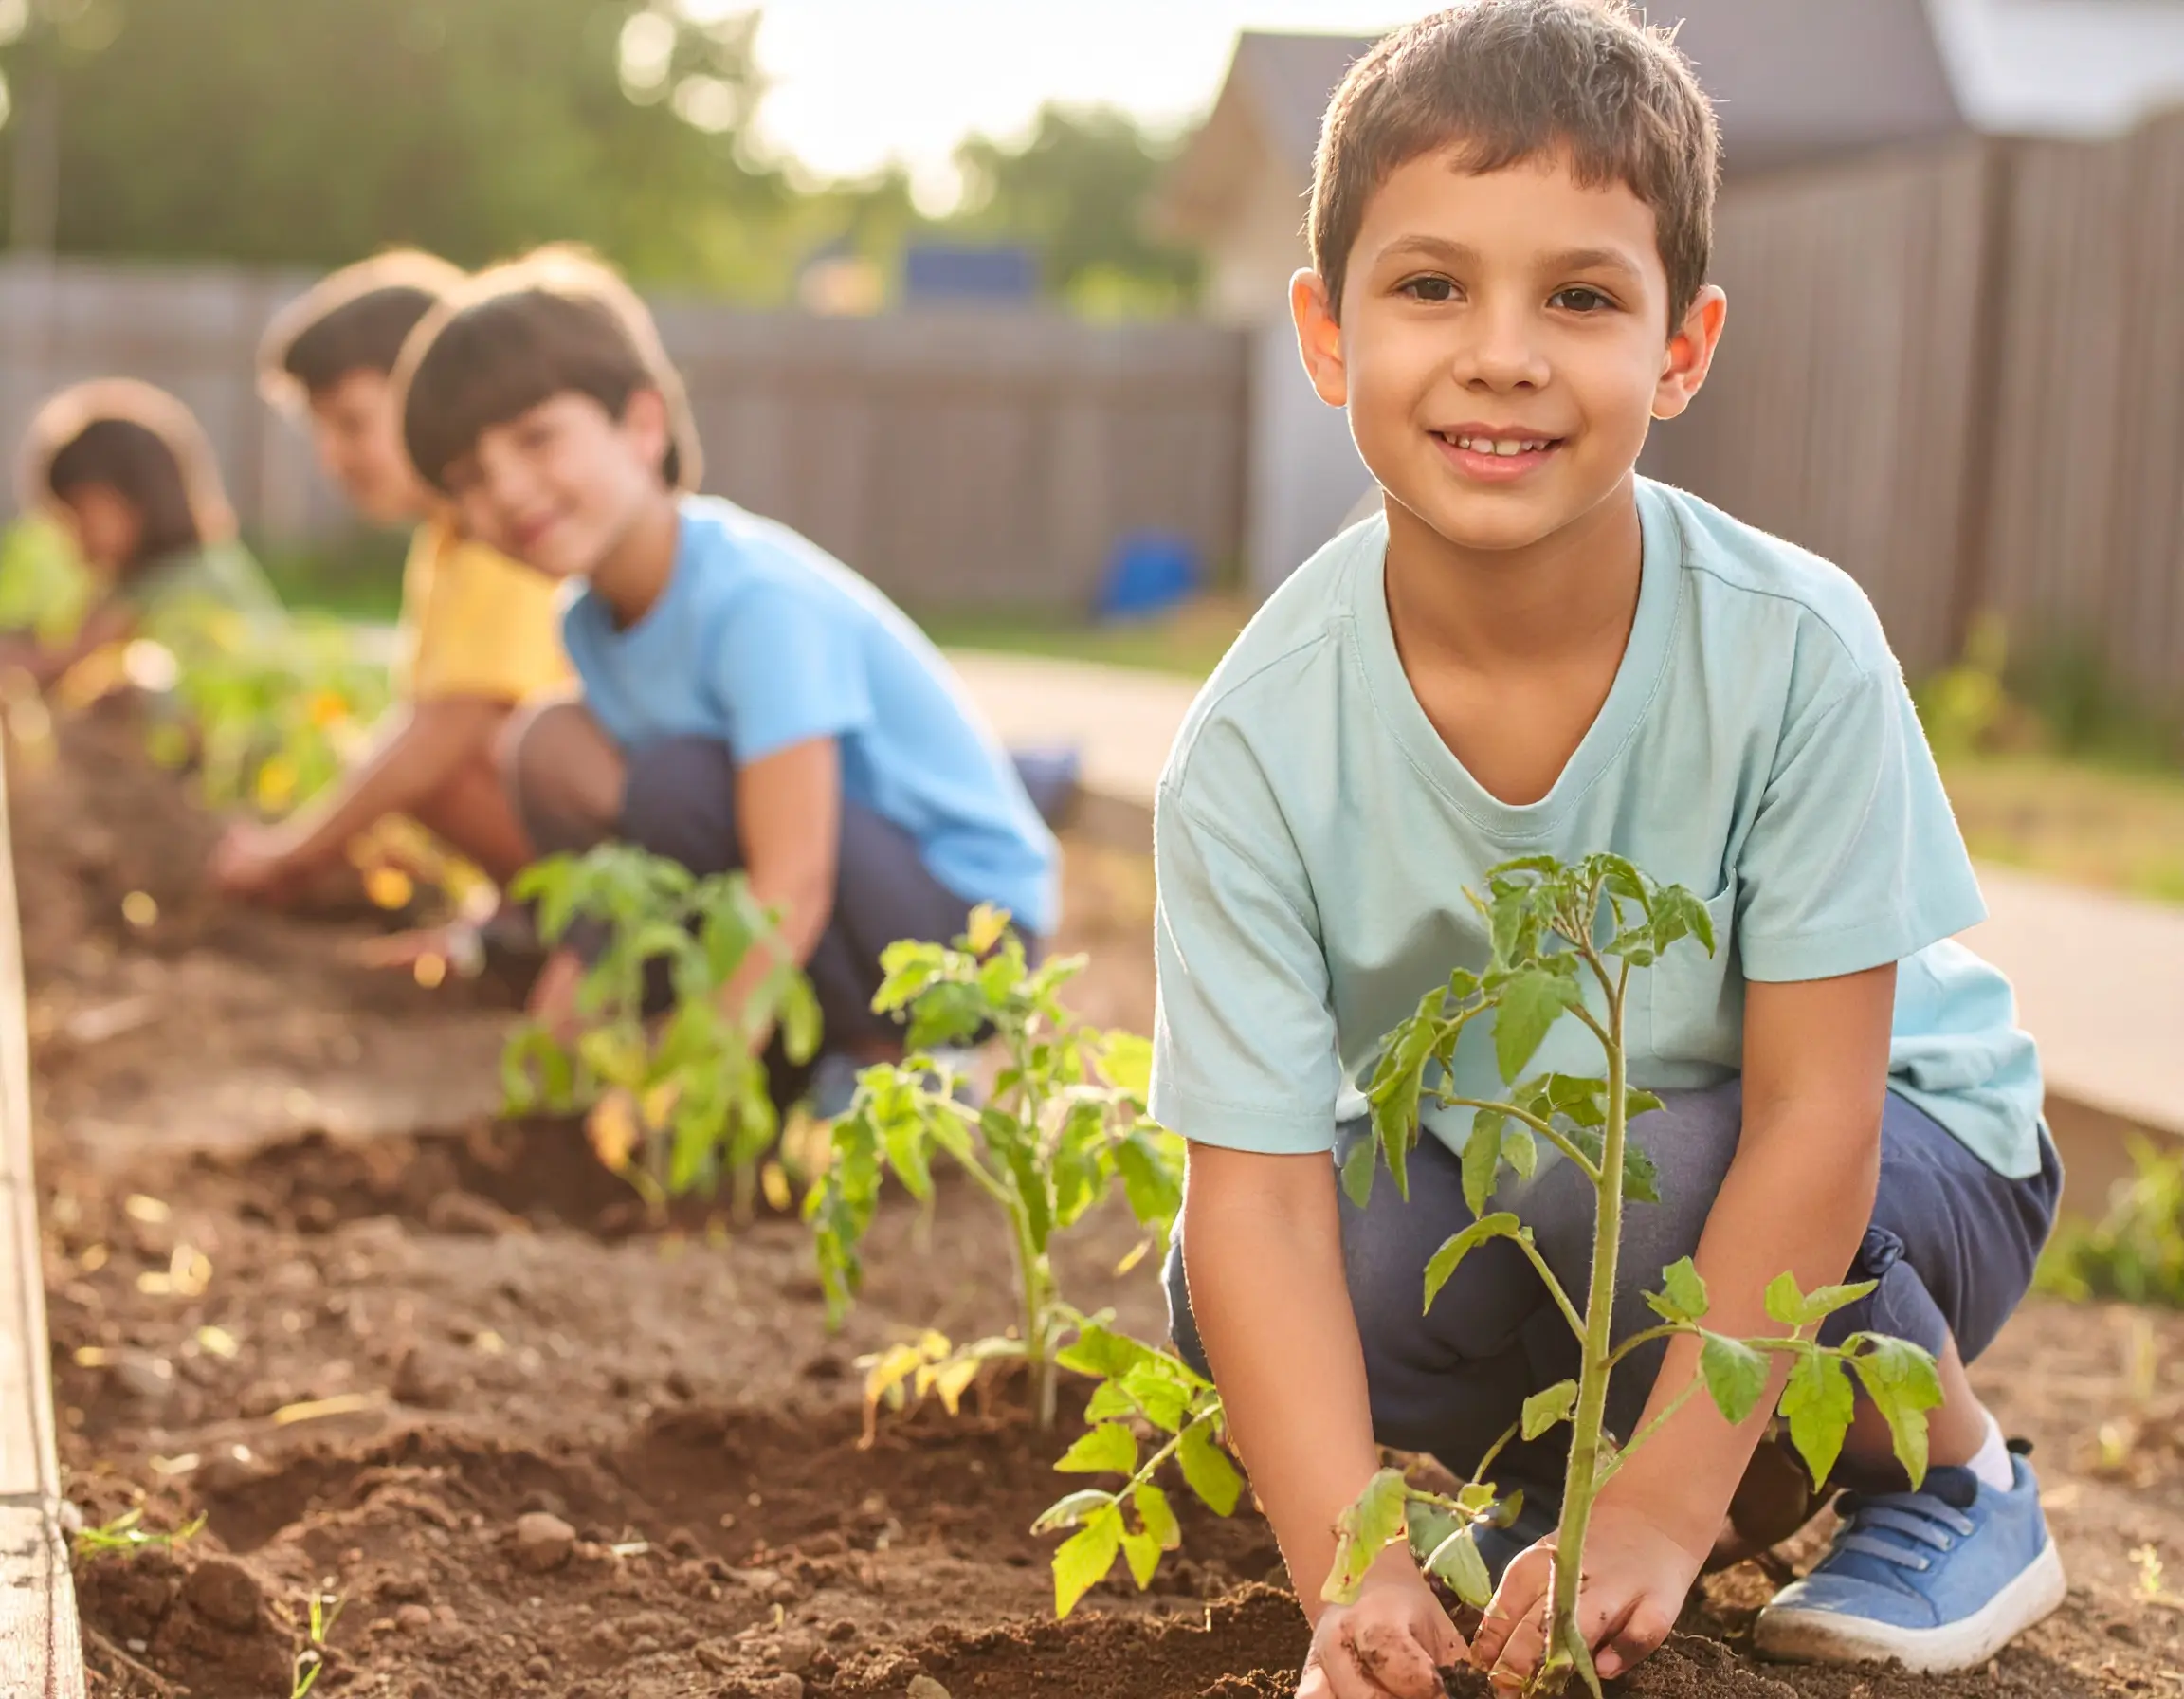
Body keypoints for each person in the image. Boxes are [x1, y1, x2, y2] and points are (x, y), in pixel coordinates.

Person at [1147, 5, 2064, 1694]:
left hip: (1893, 1160)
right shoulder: (1254, 739)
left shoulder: (1789, 646)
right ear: (1324, 332)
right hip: (1565, 1178)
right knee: (1242, 1283)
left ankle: (1950, 1471)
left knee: (1614, 1174)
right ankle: (1535, 1500)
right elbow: (1260, 1204)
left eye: (1576, 295)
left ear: (1679, 347)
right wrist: (1344, 1562)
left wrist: (1654, 1505)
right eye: (1429, 286)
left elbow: (1815, 1111)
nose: (1500, 354)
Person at [391, 245, 1061, 1105]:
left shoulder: (752, 600)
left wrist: (694, 1079)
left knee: (675, 781)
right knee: (551, 746)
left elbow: (793, 876)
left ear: (642, 426)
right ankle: (793, 1046)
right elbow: (640, 864)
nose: (509, 489)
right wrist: (552, 1038)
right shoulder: (586, 623)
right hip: (837, 905)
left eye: (536, 439)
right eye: (471, 478)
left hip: (966, 934)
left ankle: (894, 1058)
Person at [209, 250, 573, 905]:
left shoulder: (505, 542)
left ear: (435, 400)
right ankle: (512, 922)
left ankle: (559, 928)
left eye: (352, 424)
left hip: (616, 839)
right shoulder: (446, 543)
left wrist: (291, 851)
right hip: (570, 829)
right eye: (321, 431)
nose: (330, 457)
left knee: (430, 762)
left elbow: (454, 730)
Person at [8, 379, 283, 684]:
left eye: (81, 514)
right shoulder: (143, 582)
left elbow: (60, 663)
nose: (74, 535)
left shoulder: (186, 580)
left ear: (138, 499)